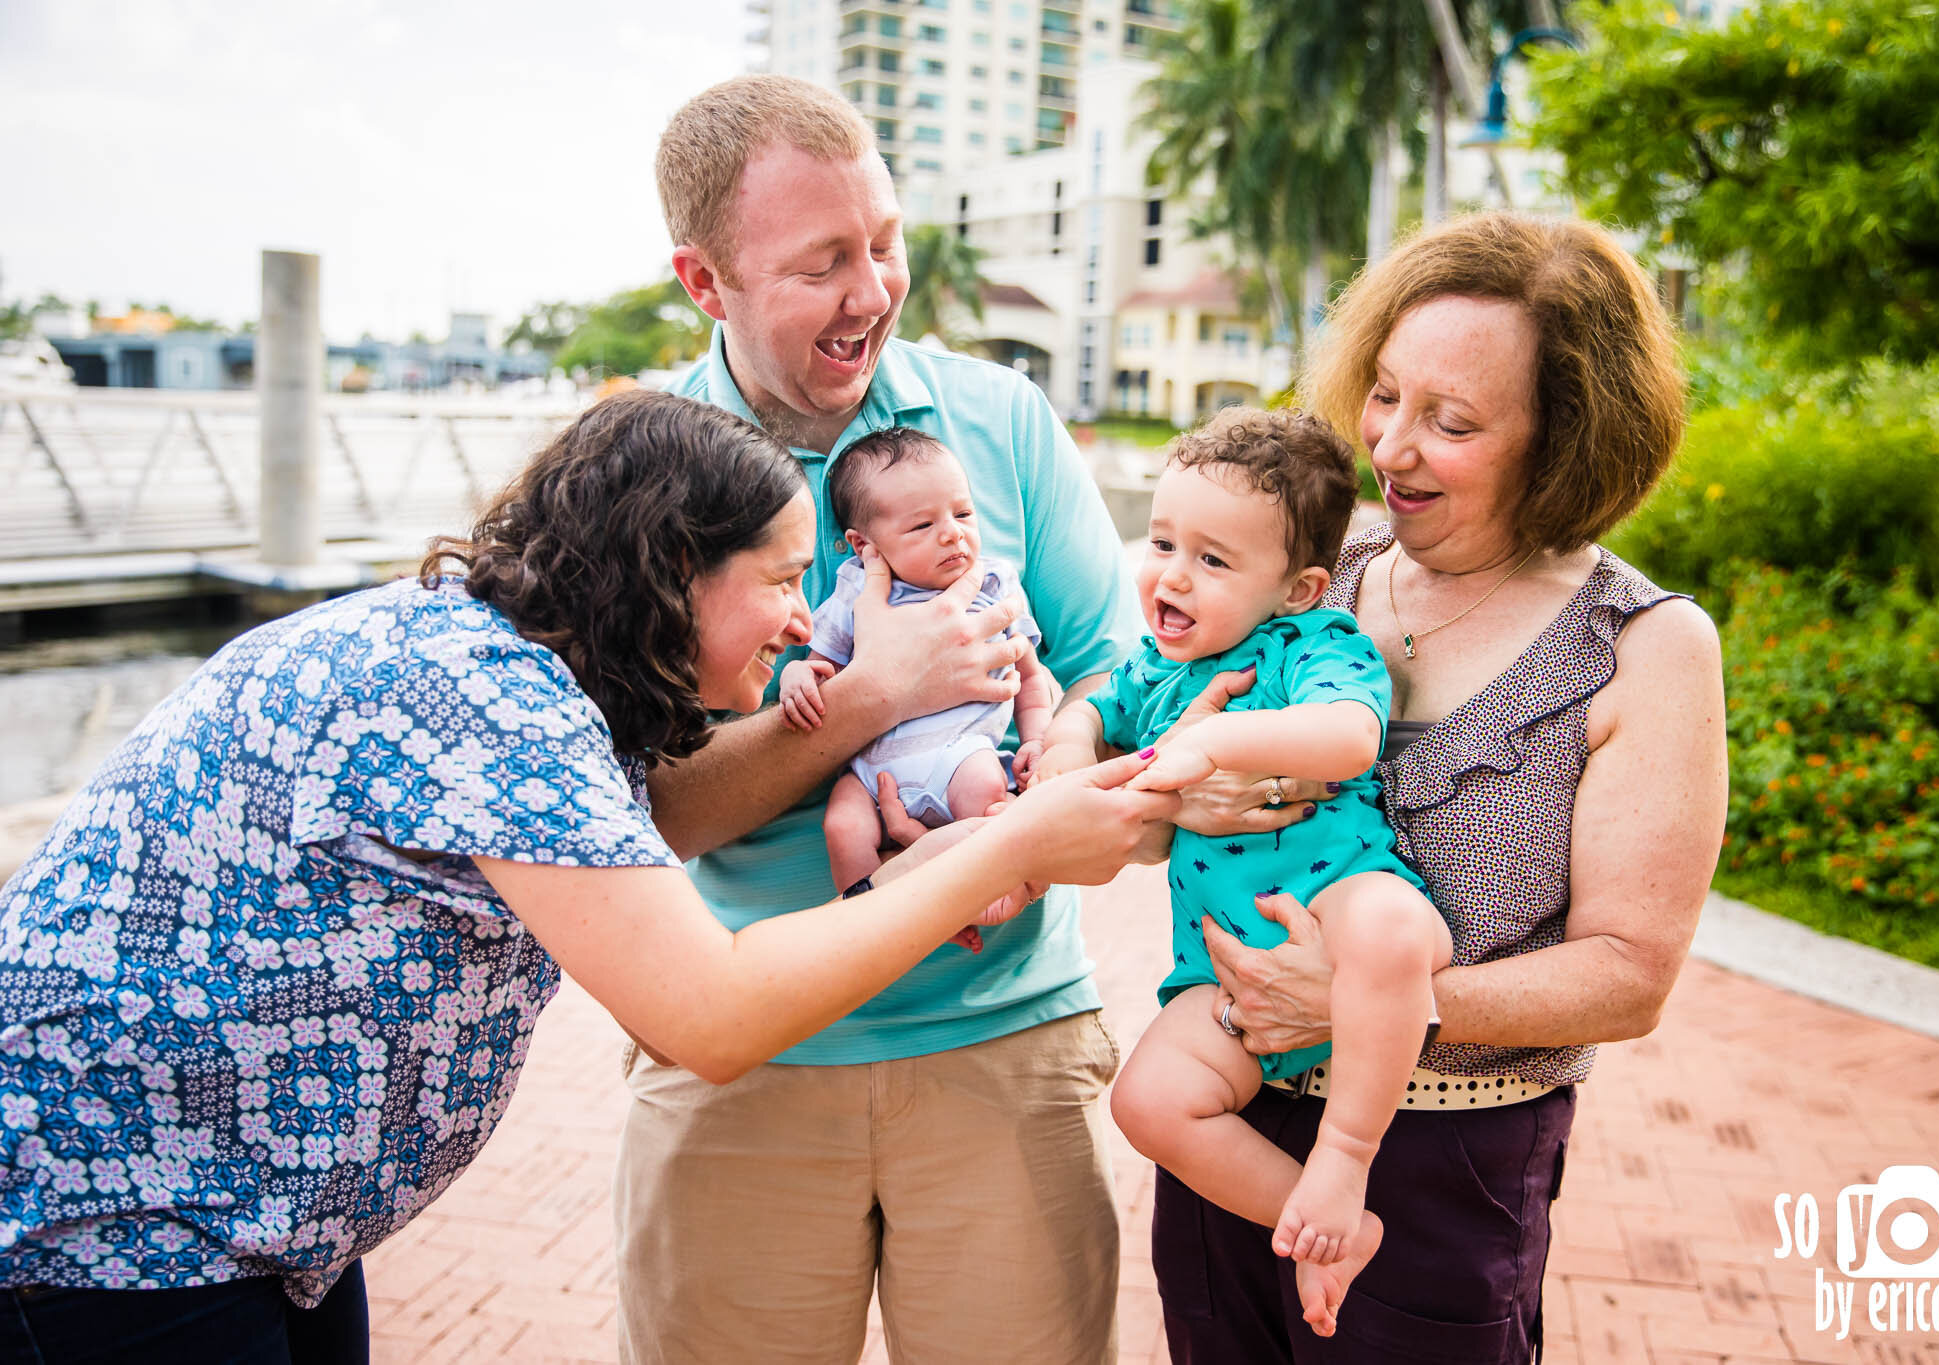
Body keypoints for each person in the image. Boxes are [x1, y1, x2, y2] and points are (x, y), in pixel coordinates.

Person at [0, 391, 1173, 1364]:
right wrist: (1011, 844)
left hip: (250, 1226)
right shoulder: (485, 703)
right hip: (111, 1232)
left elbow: (658, 844)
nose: (791, 626)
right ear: (671, 568)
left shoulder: (509, 665)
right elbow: (708, 1013)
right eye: (777, 582)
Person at [616, 72, 1223, 1365]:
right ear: (704, 282)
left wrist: (1042, 789)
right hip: (743, 1054)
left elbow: (1130, 681)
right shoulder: (644, 470)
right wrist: (870, 701)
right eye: (824, 262)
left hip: (1006, 1040)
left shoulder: (1000, 419)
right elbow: (650, 812)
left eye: (884, 243)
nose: (875, 290)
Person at [1146, 212, 1729, 1363]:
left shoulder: (1642, 645)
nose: (1388, 448)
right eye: (1384, 394)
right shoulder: (1312, 576)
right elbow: (1156, 749)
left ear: (1561, 443)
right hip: (1227, 1125)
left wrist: (1355, 1003)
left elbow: (1628, 978)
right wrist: (1178, 801)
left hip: (1441, 1168)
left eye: (1449, 422)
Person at [1034, 407, 1452, 1338]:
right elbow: (1094, 704)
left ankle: (1344, 1156)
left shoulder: (1314, 644)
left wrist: (1215, 739)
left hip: (1342, 904)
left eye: (1213, 561)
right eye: (1163, 541)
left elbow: (1350, 735)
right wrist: (1067, 740)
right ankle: (1323, 1225)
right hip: (1222, 972)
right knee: (1147, 1101)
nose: (1173, 574)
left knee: (1391, 932)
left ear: (1298, 587)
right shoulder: (1156, 667)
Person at [778, 426, 1055, 902]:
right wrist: (796, 674)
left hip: (959, 752)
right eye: (922, 526)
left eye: (964, 513)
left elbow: (1029, 676)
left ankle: (974, 900)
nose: (953, 533)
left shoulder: (992, 582)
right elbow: (819, 662)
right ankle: (871, 914)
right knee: (842, 824)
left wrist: (1036, 739)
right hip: (872, 769)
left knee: (987, 794)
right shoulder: (857, 587)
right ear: (866, 545)